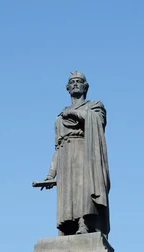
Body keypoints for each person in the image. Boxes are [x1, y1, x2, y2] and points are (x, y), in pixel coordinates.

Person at [42, 72, 110, 237]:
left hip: (84, 153)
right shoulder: (60, 117)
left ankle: (84, 223)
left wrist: (74, 114)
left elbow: (97, 121)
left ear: (85, 86)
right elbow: (58, 147)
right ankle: (67, 226)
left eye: (79, 81)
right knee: (68, 194)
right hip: (65, 156)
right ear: (67, 88)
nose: (75, 84)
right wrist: (51, 174)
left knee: (84, 189)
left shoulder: (94, 106)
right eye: (71, 82)